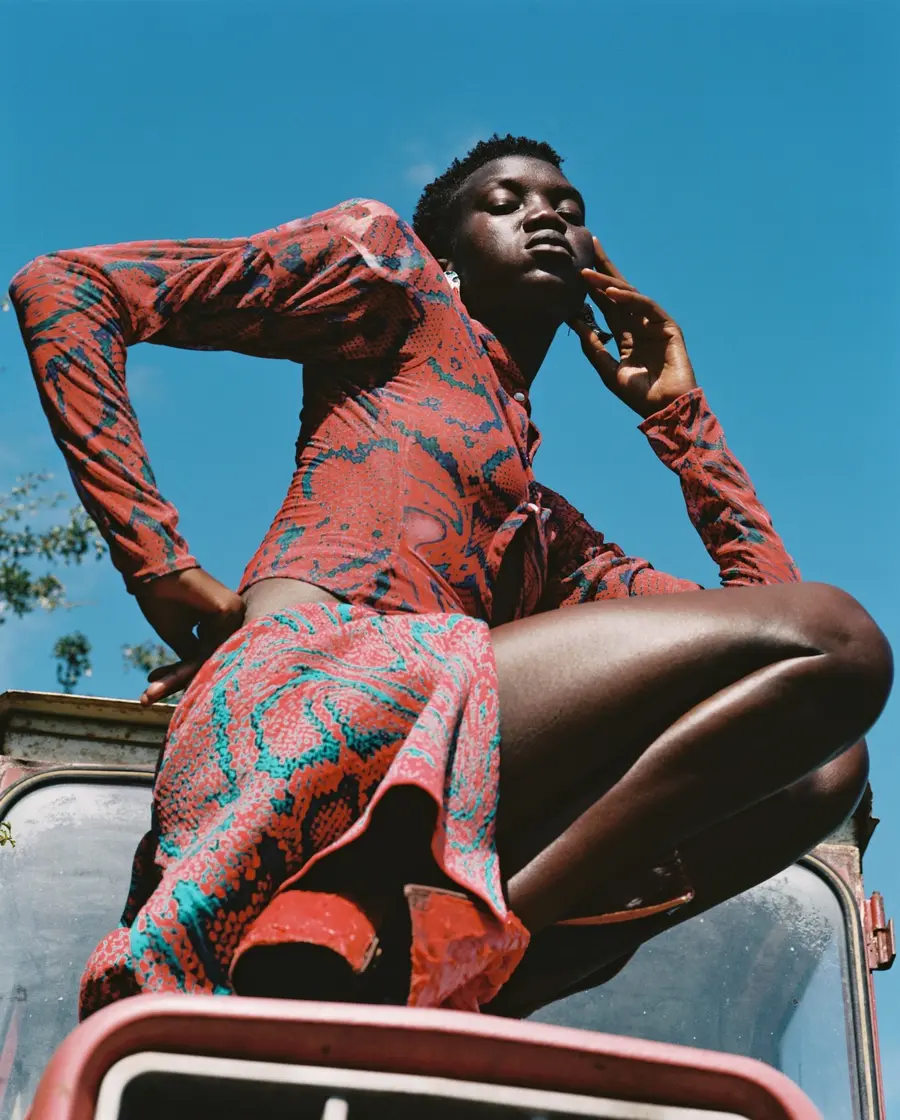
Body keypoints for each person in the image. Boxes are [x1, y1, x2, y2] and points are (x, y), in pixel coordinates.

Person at [9, 134, 892, 1019]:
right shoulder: (393, 272)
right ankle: (465, 940)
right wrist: (159, 562)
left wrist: (678, 419)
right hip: (315, 691)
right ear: (449, 258)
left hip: (444, 720)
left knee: (826, 769)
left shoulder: (547, 535)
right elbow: (67, 289)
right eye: (505, 203)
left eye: (570, 210)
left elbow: (775, 641)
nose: (546, 213)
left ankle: (457, 959)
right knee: (839, 637)